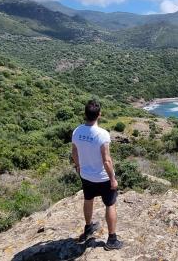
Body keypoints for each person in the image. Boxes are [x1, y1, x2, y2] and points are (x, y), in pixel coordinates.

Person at [71, 100, 123, 250]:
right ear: (99, 115)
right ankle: (112, 240)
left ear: (85, 114)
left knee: (88, 199)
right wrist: (113, 178)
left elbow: (74, 152)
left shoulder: (77, 131)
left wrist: (79, 166)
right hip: (102, 177)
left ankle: (88, 228)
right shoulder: (102, 134)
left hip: (86, 175)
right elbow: (106, 160)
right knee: (110, 204)